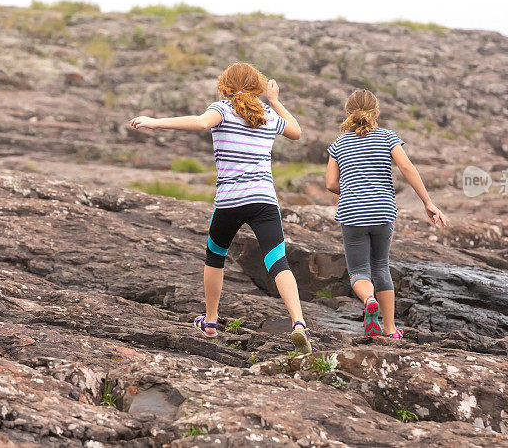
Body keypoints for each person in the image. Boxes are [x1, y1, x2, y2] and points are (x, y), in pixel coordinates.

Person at [129, 62, 312, 353]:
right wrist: (275, 101)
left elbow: (201, 122)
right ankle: (299, 322)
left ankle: (211, 320)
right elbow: (297, 132)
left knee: (215, 256)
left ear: (225, 85)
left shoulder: (223, 109)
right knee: (278, 262)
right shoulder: (266, 115)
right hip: (264, 200)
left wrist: (154, 121)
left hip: (230, 201)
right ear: (257, 86)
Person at [325, 89, 447, 338]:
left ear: (349, 113)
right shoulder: (388, 138)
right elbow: (406, 167)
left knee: (359, 271)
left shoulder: (338, 144)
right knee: (381, 266)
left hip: (352, 213)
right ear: (376, 113)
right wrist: (428, 202)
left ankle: (368, 299)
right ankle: (390, 329)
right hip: (383, 211)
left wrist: (350, 189)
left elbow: (330, 183)